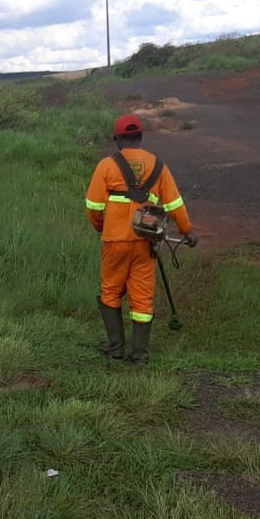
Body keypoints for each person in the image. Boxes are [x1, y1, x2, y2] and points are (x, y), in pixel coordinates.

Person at [84, 114, 198, 365]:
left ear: (117, 139)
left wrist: (101, 226)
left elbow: (93, 206)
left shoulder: (106, 166)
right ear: (140, 137)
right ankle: (139, 356)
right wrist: (187, 231)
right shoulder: (158, 166)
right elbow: (175, 204)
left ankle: (116, 349)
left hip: (114, 242)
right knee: (142, 297)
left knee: (110, 292)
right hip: (146, 243)